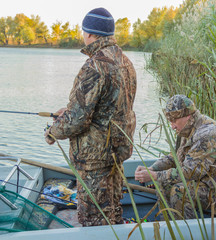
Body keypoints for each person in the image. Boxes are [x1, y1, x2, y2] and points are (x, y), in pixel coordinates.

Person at [44, 7, 137, 226]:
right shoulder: (125, 62)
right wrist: (69, 112)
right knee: (112, 213)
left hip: (95, 159)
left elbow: (77, 120)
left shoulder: (95, 66)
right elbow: (110, 108)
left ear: (89, 34)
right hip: (116, 153)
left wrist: (52, 131)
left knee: (94, 221)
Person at [135, 95, 216, 219]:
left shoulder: (207, 134)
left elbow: (190, 172)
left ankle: (186, 232)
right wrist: (152, 169)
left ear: (187, 116)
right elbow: (175, 157)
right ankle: (170, 230)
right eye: (170, 121)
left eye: (174, 121)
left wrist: (155, 176)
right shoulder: (188, 129)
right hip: (206, 181)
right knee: (163, 184)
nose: (172, 126)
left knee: (179, 191)